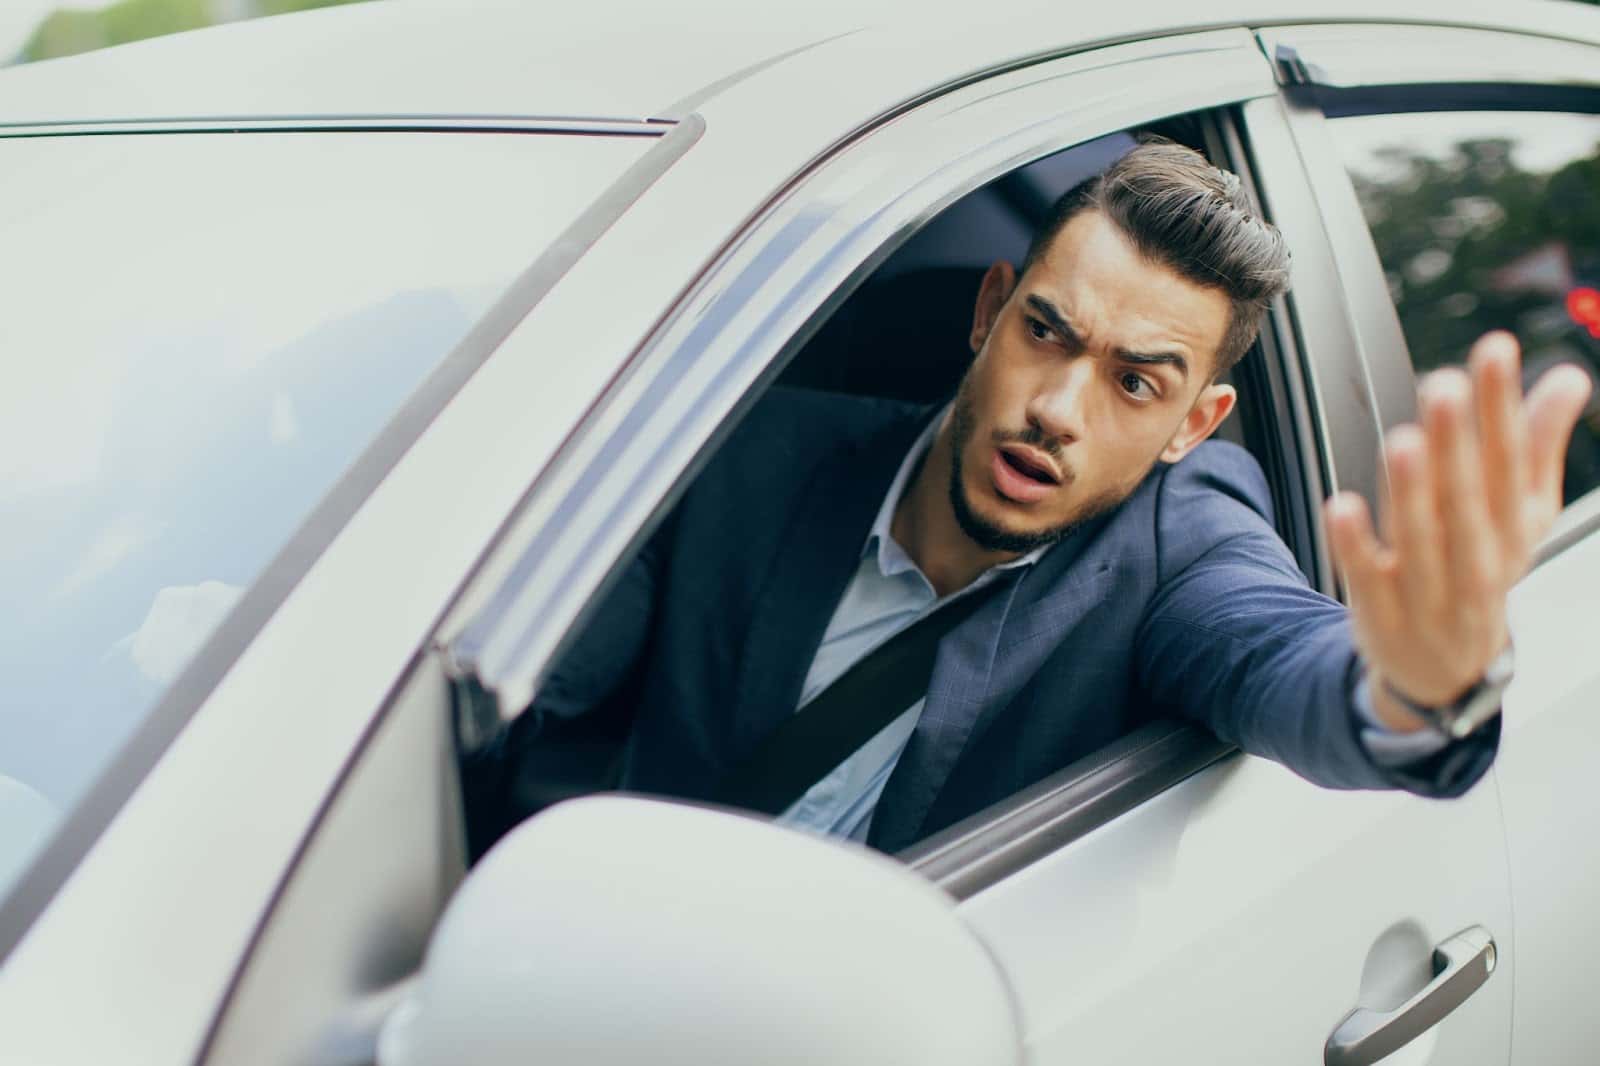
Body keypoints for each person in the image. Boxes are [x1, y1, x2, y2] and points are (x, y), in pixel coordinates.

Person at [468, 138, 1593, 855]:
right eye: (1046, 331)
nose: (1058, 406)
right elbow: (516, 678)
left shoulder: (1184, 548)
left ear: (1191, 426)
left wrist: (1420, 685)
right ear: (988, 310)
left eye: (1134, 380)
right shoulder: (752, 455)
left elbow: (1285, 659)